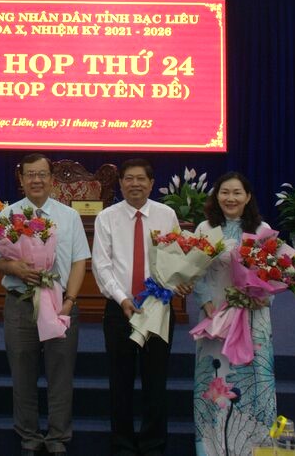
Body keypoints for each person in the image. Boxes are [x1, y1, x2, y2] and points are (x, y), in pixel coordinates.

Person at [92, 158, 192, 456]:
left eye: (141, 179)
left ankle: (153, 445)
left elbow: (175, 259)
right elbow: (101, 264)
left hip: (158, 309)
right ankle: (122, 444)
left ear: (151, 183)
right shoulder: (107, 217)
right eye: (129, 179)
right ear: (120, 183)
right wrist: (122, 298)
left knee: (155, 380)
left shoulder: (166, 215)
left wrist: (179, 282)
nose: (135, 184)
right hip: (119, 308)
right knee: (119, 381)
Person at [0, 153, 90, 456]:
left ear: (52, 179)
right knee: (22, 372)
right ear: (20, 180)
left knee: (61, 373)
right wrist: (15, 268)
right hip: (20, 303)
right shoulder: (7, 215)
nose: (36, 180)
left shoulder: (69, 216)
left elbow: (79, 262)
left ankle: (59, 436)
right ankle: (28, 434)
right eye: (30, 175)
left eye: (42, 174)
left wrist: (70, 301)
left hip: (60, 302)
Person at [192, 172, 275, 455]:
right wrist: (206, 304)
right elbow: (195, 273)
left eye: (237, 192)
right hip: (216, 318)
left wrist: (261, 297)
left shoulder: (262, 230)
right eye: (224, 192)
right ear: (216, 196)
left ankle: (254, 449)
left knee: (253, 381)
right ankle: (212, 449)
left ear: (248, 196)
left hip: (252, 317)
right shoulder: (205, 229)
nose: (230, 198)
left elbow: (274, 275)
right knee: (216, 383)